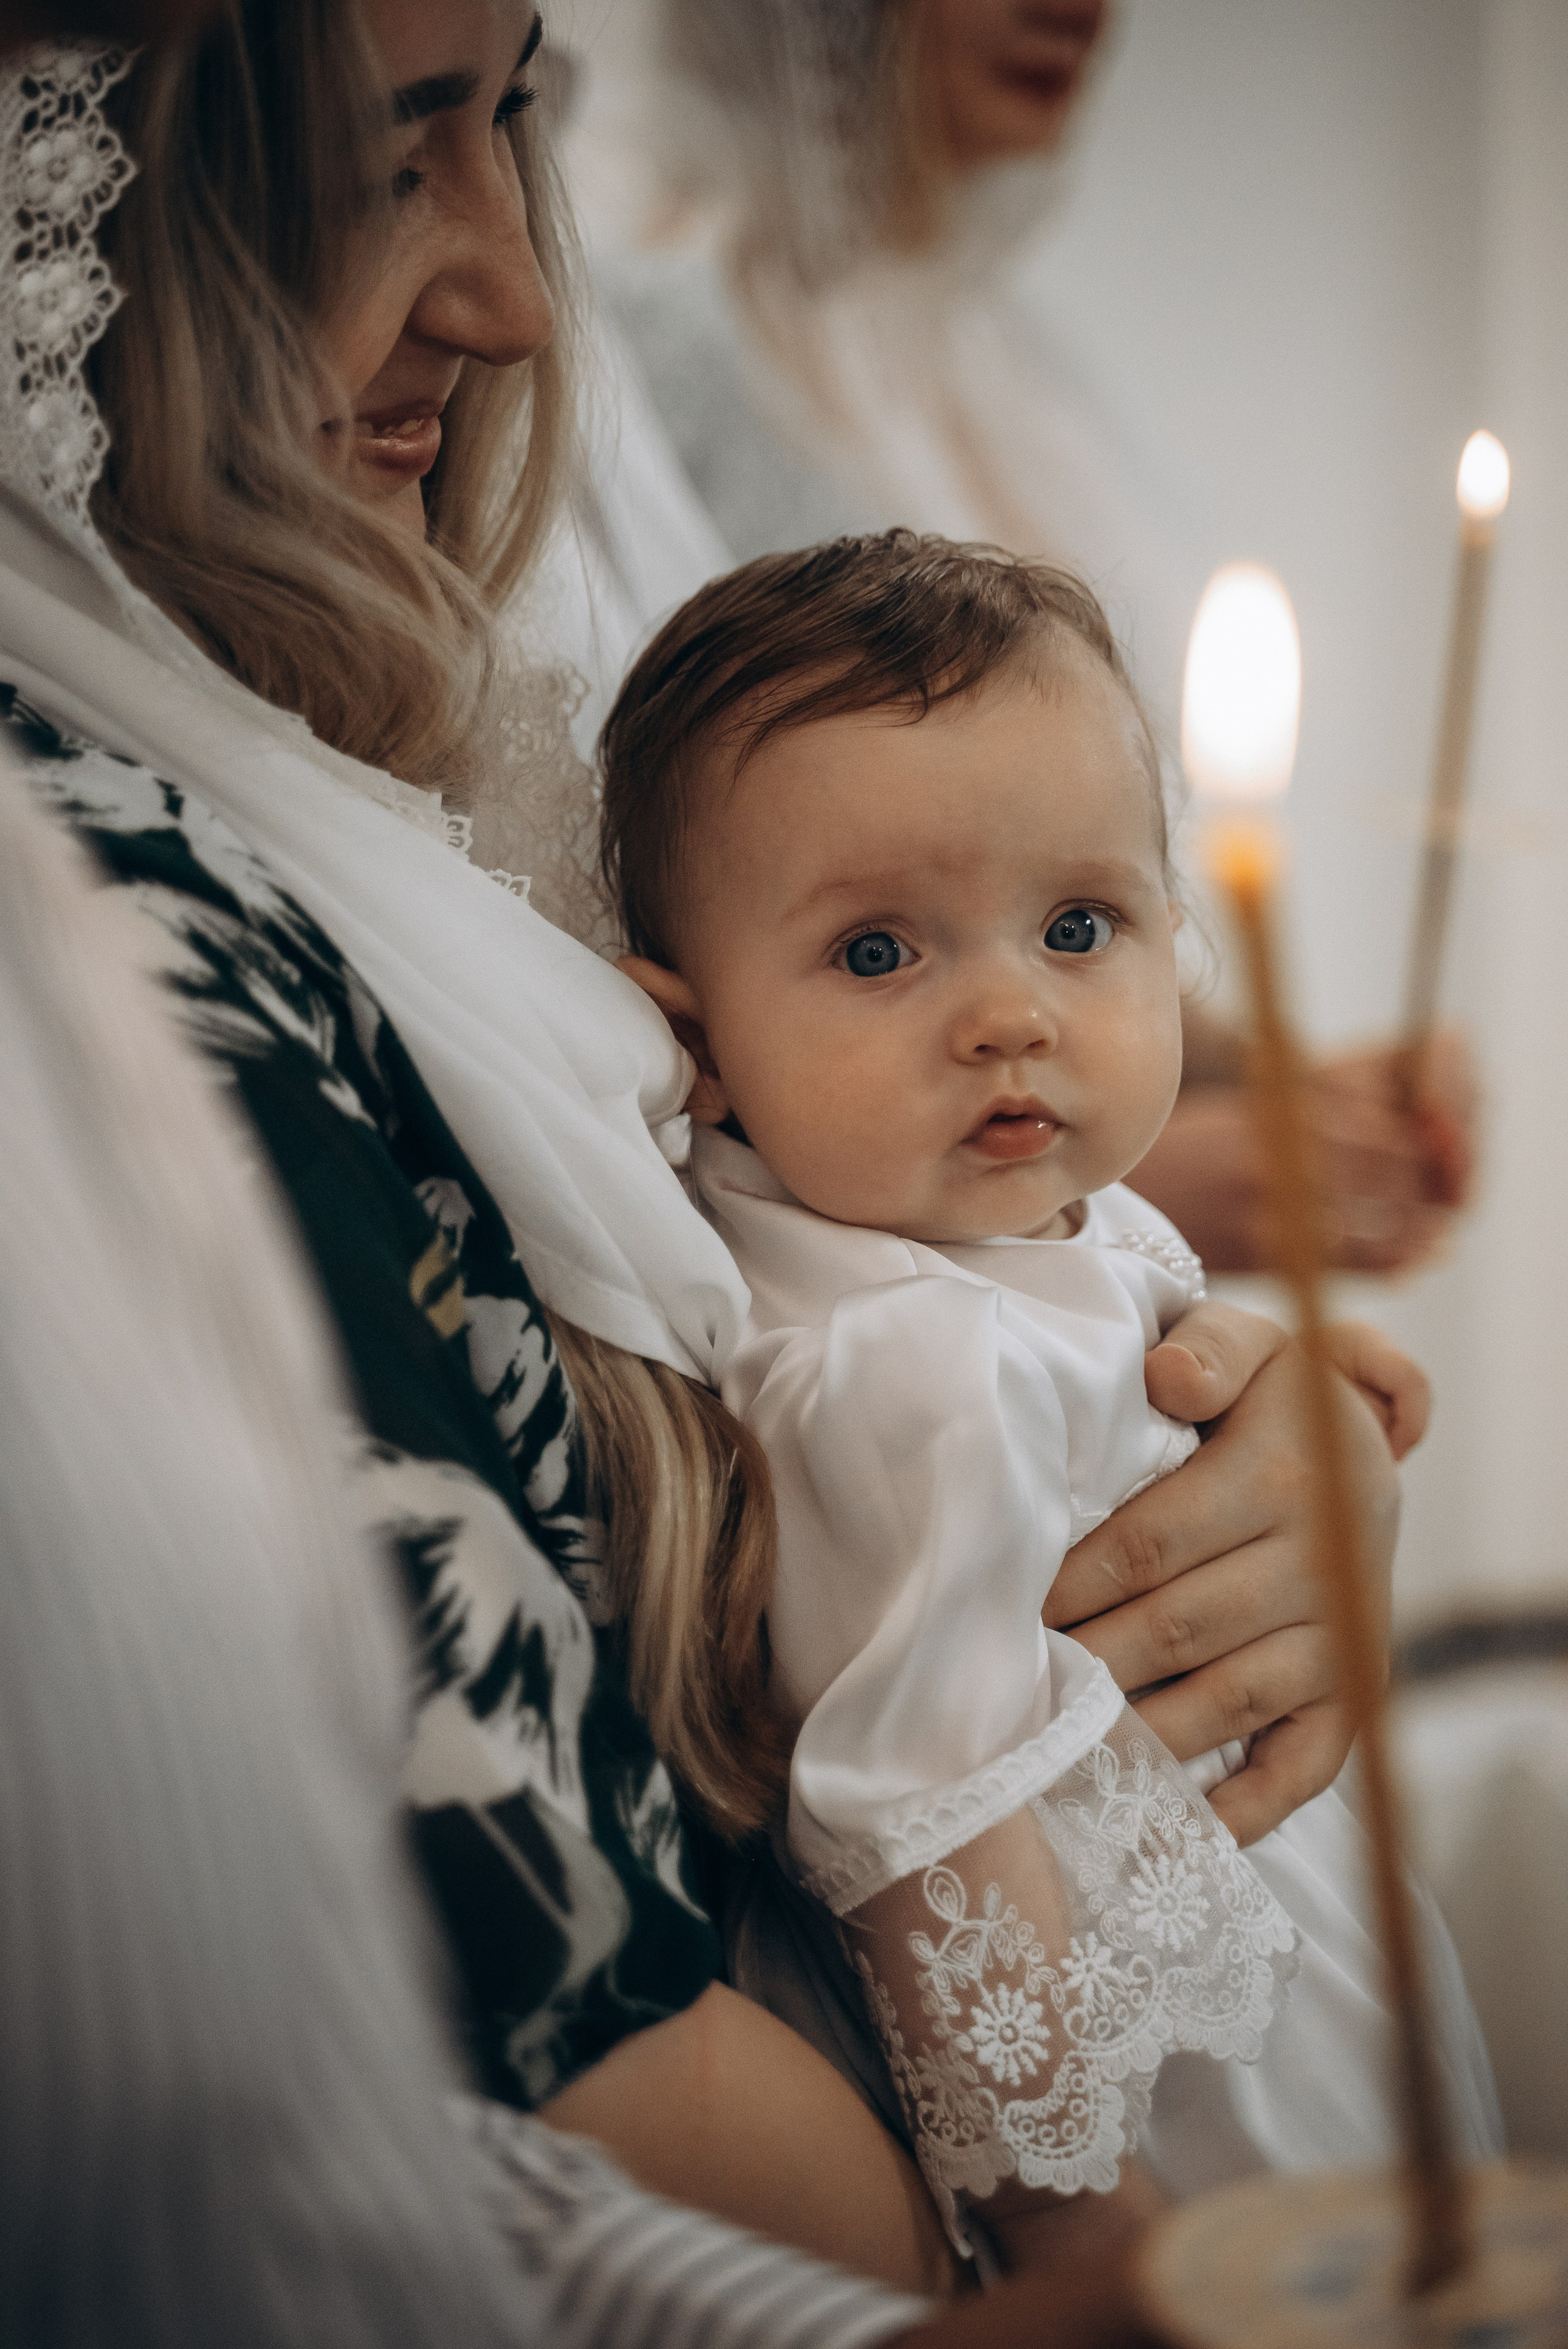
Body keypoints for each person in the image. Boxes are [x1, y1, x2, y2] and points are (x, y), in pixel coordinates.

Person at [0, 0, 1417, 2301]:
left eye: (514, 122)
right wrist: (1081, 2255)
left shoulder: (436, 731)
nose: (517, 299)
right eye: (385, 159)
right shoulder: (96, 924)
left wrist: (1259, 1446)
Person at [600, 530, 1501, 2266]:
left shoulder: (1047, 1222)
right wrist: (1077, 2219)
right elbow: (920, 1821)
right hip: (1134, 2045)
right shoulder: (899, 1365)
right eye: (879, 954)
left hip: (1246, 1891)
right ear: (694, 1045)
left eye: (1077, 925)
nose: (1011, 1012)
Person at [550, 0, 1476, 1278]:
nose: (1081, 10)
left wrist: (1269, 1091)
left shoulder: (992, 362)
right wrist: (1113, 1185)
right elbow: (705, 913)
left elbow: (1018, 866)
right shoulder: (637, 345)